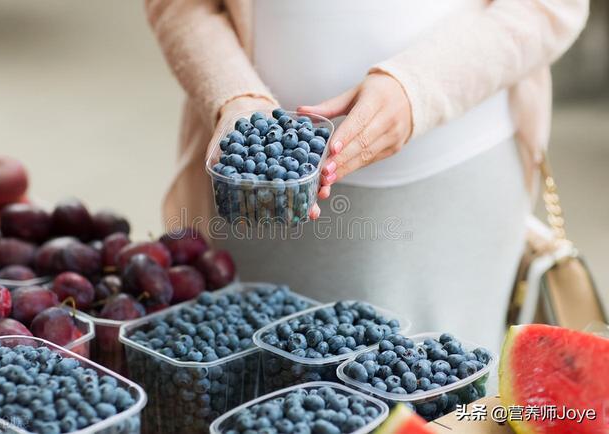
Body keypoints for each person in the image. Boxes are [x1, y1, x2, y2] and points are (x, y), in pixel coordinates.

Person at [145, 0, 588, 349]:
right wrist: (234, 97)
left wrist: (419, 88)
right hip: (259, 197)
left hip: (455, 189)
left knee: (442, 391)